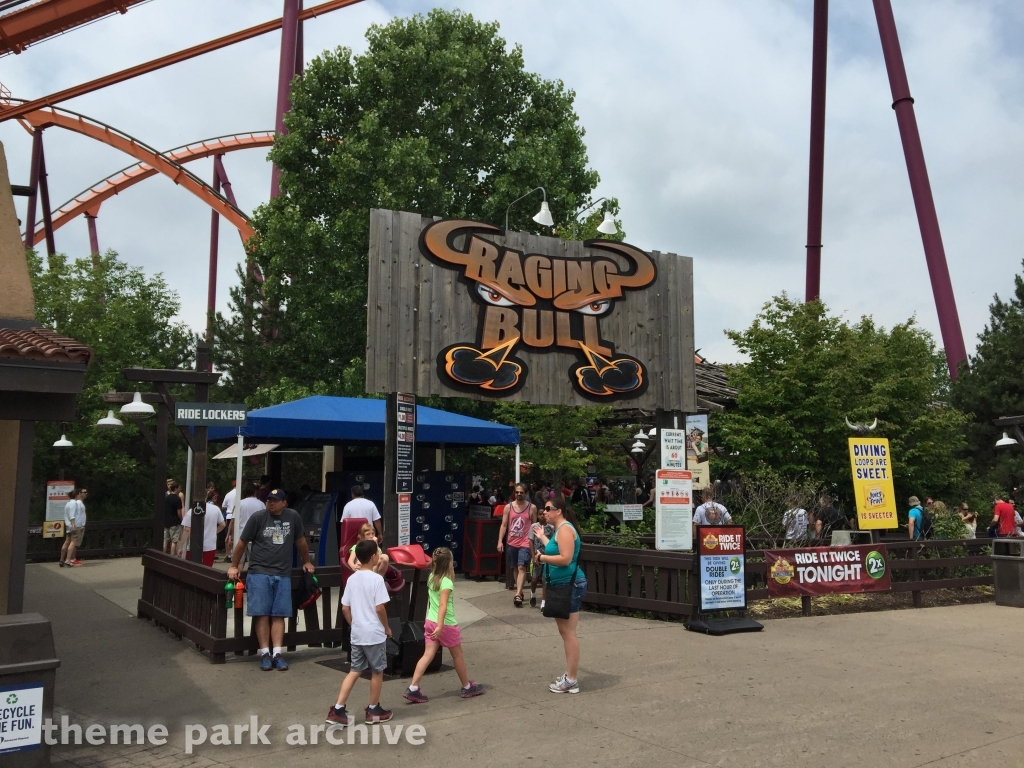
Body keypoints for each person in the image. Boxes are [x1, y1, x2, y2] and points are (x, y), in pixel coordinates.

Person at [228, 489, 314, 671]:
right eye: (269, 500)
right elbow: (242, 542)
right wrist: (234, 565)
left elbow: (300, 541)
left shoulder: (293, 517)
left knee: (278, 614)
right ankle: (265, 653)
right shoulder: (258, 518)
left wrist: (307, 562)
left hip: (283, 573)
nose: (271, 503)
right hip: (259, 571)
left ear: (284, 503)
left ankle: (277, 652)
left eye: (275, 500)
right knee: (262, 613)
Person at [402, 547, 484, 703]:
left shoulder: (432, 577)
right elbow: (443, 606)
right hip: (445, 624)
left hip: (429, 622)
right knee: (457, 655)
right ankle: (467, 686)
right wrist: (440, 626)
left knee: (427, 655)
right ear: (448, 564)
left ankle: (413, 687)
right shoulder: (446, 582)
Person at [327, 539, 393, 726]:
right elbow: (380, 608)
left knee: (355, 670)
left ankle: (338, 709)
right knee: (377, 671)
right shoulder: (377, 579)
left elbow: (345, 608)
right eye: (378, 553)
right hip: (374, 633)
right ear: (373, 557)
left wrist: (354, 624)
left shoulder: (352, 579)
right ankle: (373, 709)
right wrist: (387, 628)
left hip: (357, 633)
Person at [532, 499, 586, 694]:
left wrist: (541, 558)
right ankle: (570, 676)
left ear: (558, 511)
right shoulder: (560, 530)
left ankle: (571, 679)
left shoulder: (564, 529)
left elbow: (565, 558)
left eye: (548, 509)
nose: (545, 512)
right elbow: (557, 549)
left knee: (568, 633)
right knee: (566, 632)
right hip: (562, 585)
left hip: (569, 585)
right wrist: (543, 538)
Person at [497, 483, 537, 608]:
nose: (519, 494)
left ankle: (518, 594)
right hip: (511, 541)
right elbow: (504, 525)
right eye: (517, 492)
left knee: (521, 567)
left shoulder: (532, 508)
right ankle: (519, 591)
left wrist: (534, 543)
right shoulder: (508, 507)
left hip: (525, 541)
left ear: (526, 493)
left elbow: (534, 526)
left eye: (522, 492)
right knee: (515, 567)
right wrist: (500, 541)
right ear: (514, 493)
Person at [181, 499, 226, 567]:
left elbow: (187, 530)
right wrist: (214, 532)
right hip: (210, 545)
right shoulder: (215, 509)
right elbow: (222, 524)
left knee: (191, 569)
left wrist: (180, 546)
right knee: (207, 570)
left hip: (193, 546)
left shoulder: (191, 511)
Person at [528, 505, 555, 609]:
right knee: (534, 579)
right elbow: (530, 541)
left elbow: (552, 541)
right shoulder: (534, 526)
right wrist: (533, 556)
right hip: (536, 555)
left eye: (543, 514)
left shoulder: (551, 527)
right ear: (537, 516)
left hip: (547, 556)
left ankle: (543, 602)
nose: (542, 516)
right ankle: (533, 593)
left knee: (545, 580)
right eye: (540, 514)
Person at [59, 489, 80, 567]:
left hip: (67, 525)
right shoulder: (74, 503)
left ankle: (61, 559)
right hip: (72, 525)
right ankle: (68, 560)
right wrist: (74, 525)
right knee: (73, 542)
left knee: (67, 541)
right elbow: (72, 515)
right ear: (77, 495)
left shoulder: (67, 503)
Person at [163, 482, 184, 556]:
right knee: (174, 541)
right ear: (175, 489)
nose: (180, 489)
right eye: (179, 488)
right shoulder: (177, 499)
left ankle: (163, 555)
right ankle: (172, 556)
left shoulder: (166, 497)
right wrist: (181, 519)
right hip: (174, 522)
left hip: (166, 521)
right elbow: (179, 512)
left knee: (165, 540)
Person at [221, 480, 238, 561]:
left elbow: (223, 506)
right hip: (236, 515)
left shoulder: (228, 494)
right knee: (235, 535)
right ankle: (234, 552)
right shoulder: (239, 494)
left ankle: (228, 554)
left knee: (228, 535)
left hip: (229, 515)